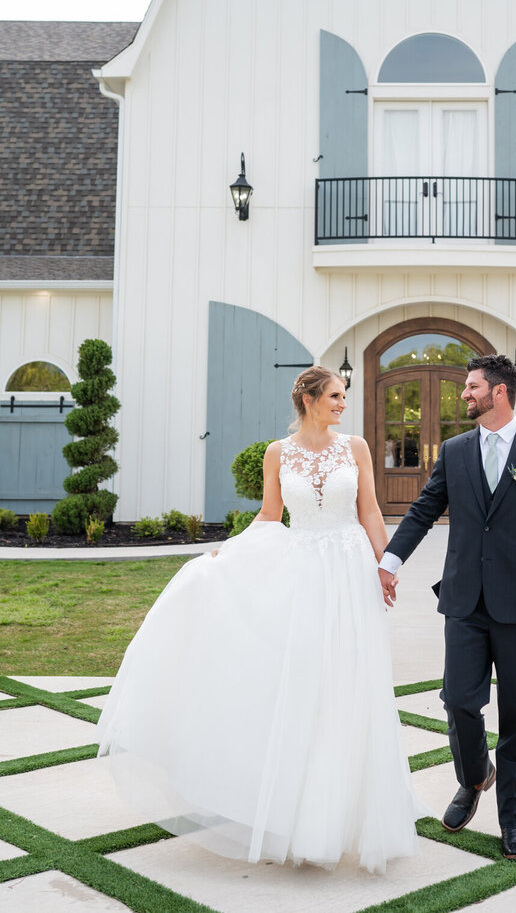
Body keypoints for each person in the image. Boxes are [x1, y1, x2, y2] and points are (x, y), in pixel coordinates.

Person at [95, 366, 425, 873]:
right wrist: (227, 553)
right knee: (306, 681)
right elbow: (270, 516)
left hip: (350, 569)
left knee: (349, 682)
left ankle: (355, 814)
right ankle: (303, 815)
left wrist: (386, 566)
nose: (342, 403)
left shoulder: (355, 447)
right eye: (336, 396)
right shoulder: (278, 453)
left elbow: (372, 513)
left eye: (343, 396)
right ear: (310, 399)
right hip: (304, 573)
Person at [378, 354, 516, 861]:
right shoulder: (453, 451)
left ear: (499, 392)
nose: (464, 395)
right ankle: (474, 777)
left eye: (471, 387)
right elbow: (425, 508)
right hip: (464, 597)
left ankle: (514, 817)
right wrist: (390, 559)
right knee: (458, 699)